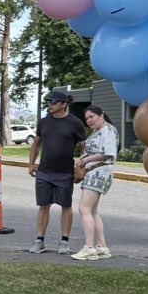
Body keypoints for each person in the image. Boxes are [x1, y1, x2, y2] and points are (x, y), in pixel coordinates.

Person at [27, 89, 86, 255]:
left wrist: (80, 169)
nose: (49, 105)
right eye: (48, 102)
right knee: (43, 206)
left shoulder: (75, 123)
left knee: (66, 206)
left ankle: (64, 242)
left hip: (65, 173)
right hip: (44, 172)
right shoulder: (44, 122)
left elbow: (84, 148)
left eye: (52, 102)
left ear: (63, 104)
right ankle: (39, 241)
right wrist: (31, 164)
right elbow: (36, 143)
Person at [71, 106, 119, 260]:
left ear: (101, 115)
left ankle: (89, 247)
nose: (89, 120)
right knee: (92, 211)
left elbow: (107, 153)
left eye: (92, 116)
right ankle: (102, 246)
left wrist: (84, 160)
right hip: (94, 172)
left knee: (84, 208)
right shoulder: (98, 131)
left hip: (98, 172)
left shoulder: (108, 130)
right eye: (87, 118)